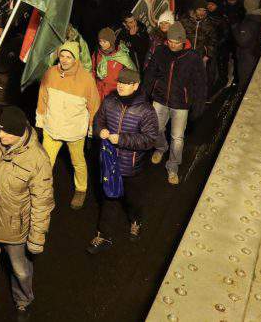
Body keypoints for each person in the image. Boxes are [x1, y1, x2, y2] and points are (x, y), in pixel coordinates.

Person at [0, 106, 53, 316]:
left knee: (21, 271)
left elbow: (42, 203)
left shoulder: (38, 159)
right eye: (0, 129)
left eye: (8, 132)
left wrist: (36, 238)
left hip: (15, 231)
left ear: (20, 133)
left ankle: (23, 300)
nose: (1, 135)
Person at [87, 68, 159, 254]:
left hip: (131, 167)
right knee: (109, 198)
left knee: (132, 200)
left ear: (135, 86)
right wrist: (99, 130)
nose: (120, 85)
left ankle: (135, 220)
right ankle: (104, 235)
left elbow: (150, 139)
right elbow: (98, 120)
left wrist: (122, 139)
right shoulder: (109, 101)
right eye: (120, 81)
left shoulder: (146, 110)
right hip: (110, 164)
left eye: (126, 83)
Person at [35, 41, 100, 209]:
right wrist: (40, 119)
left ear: (75, 59)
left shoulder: (86, 79)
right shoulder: (50, 73)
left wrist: (92, 129)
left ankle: (81, 189)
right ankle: (42, 191)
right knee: (45, 163)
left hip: (74, 130)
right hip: (52, 128)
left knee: (77, 161)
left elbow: (94, 105)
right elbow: (42, 97)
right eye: (62, 56)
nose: (64, 60)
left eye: (68, 57)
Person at [142, 22, 207, 185]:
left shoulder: (192, 57)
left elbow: (200, 82)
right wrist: (145, 93)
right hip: (161, 99)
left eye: (176, 42)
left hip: (181, 103)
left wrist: (198, 105)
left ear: (183, 41)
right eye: (170, 41)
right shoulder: (160, 51)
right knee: (155, 128)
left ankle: (173, 167)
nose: (172, 45)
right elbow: (150, 73)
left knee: (177, 137)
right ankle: (161, 148)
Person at [231, 0, 261, 85]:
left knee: (245, 82)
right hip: (257, 53)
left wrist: (235, 28)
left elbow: (242, 41)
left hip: (248, 58)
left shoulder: (250, 21)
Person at [92, 27, 136, 100]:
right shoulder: (97, 54)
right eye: (100, 41)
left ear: (111, 41)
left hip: (114, 94)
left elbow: (131, 76)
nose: (101, 44)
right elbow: (93, 70)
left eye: (104, 42)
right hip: (98, 91)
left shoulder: (122, 57)